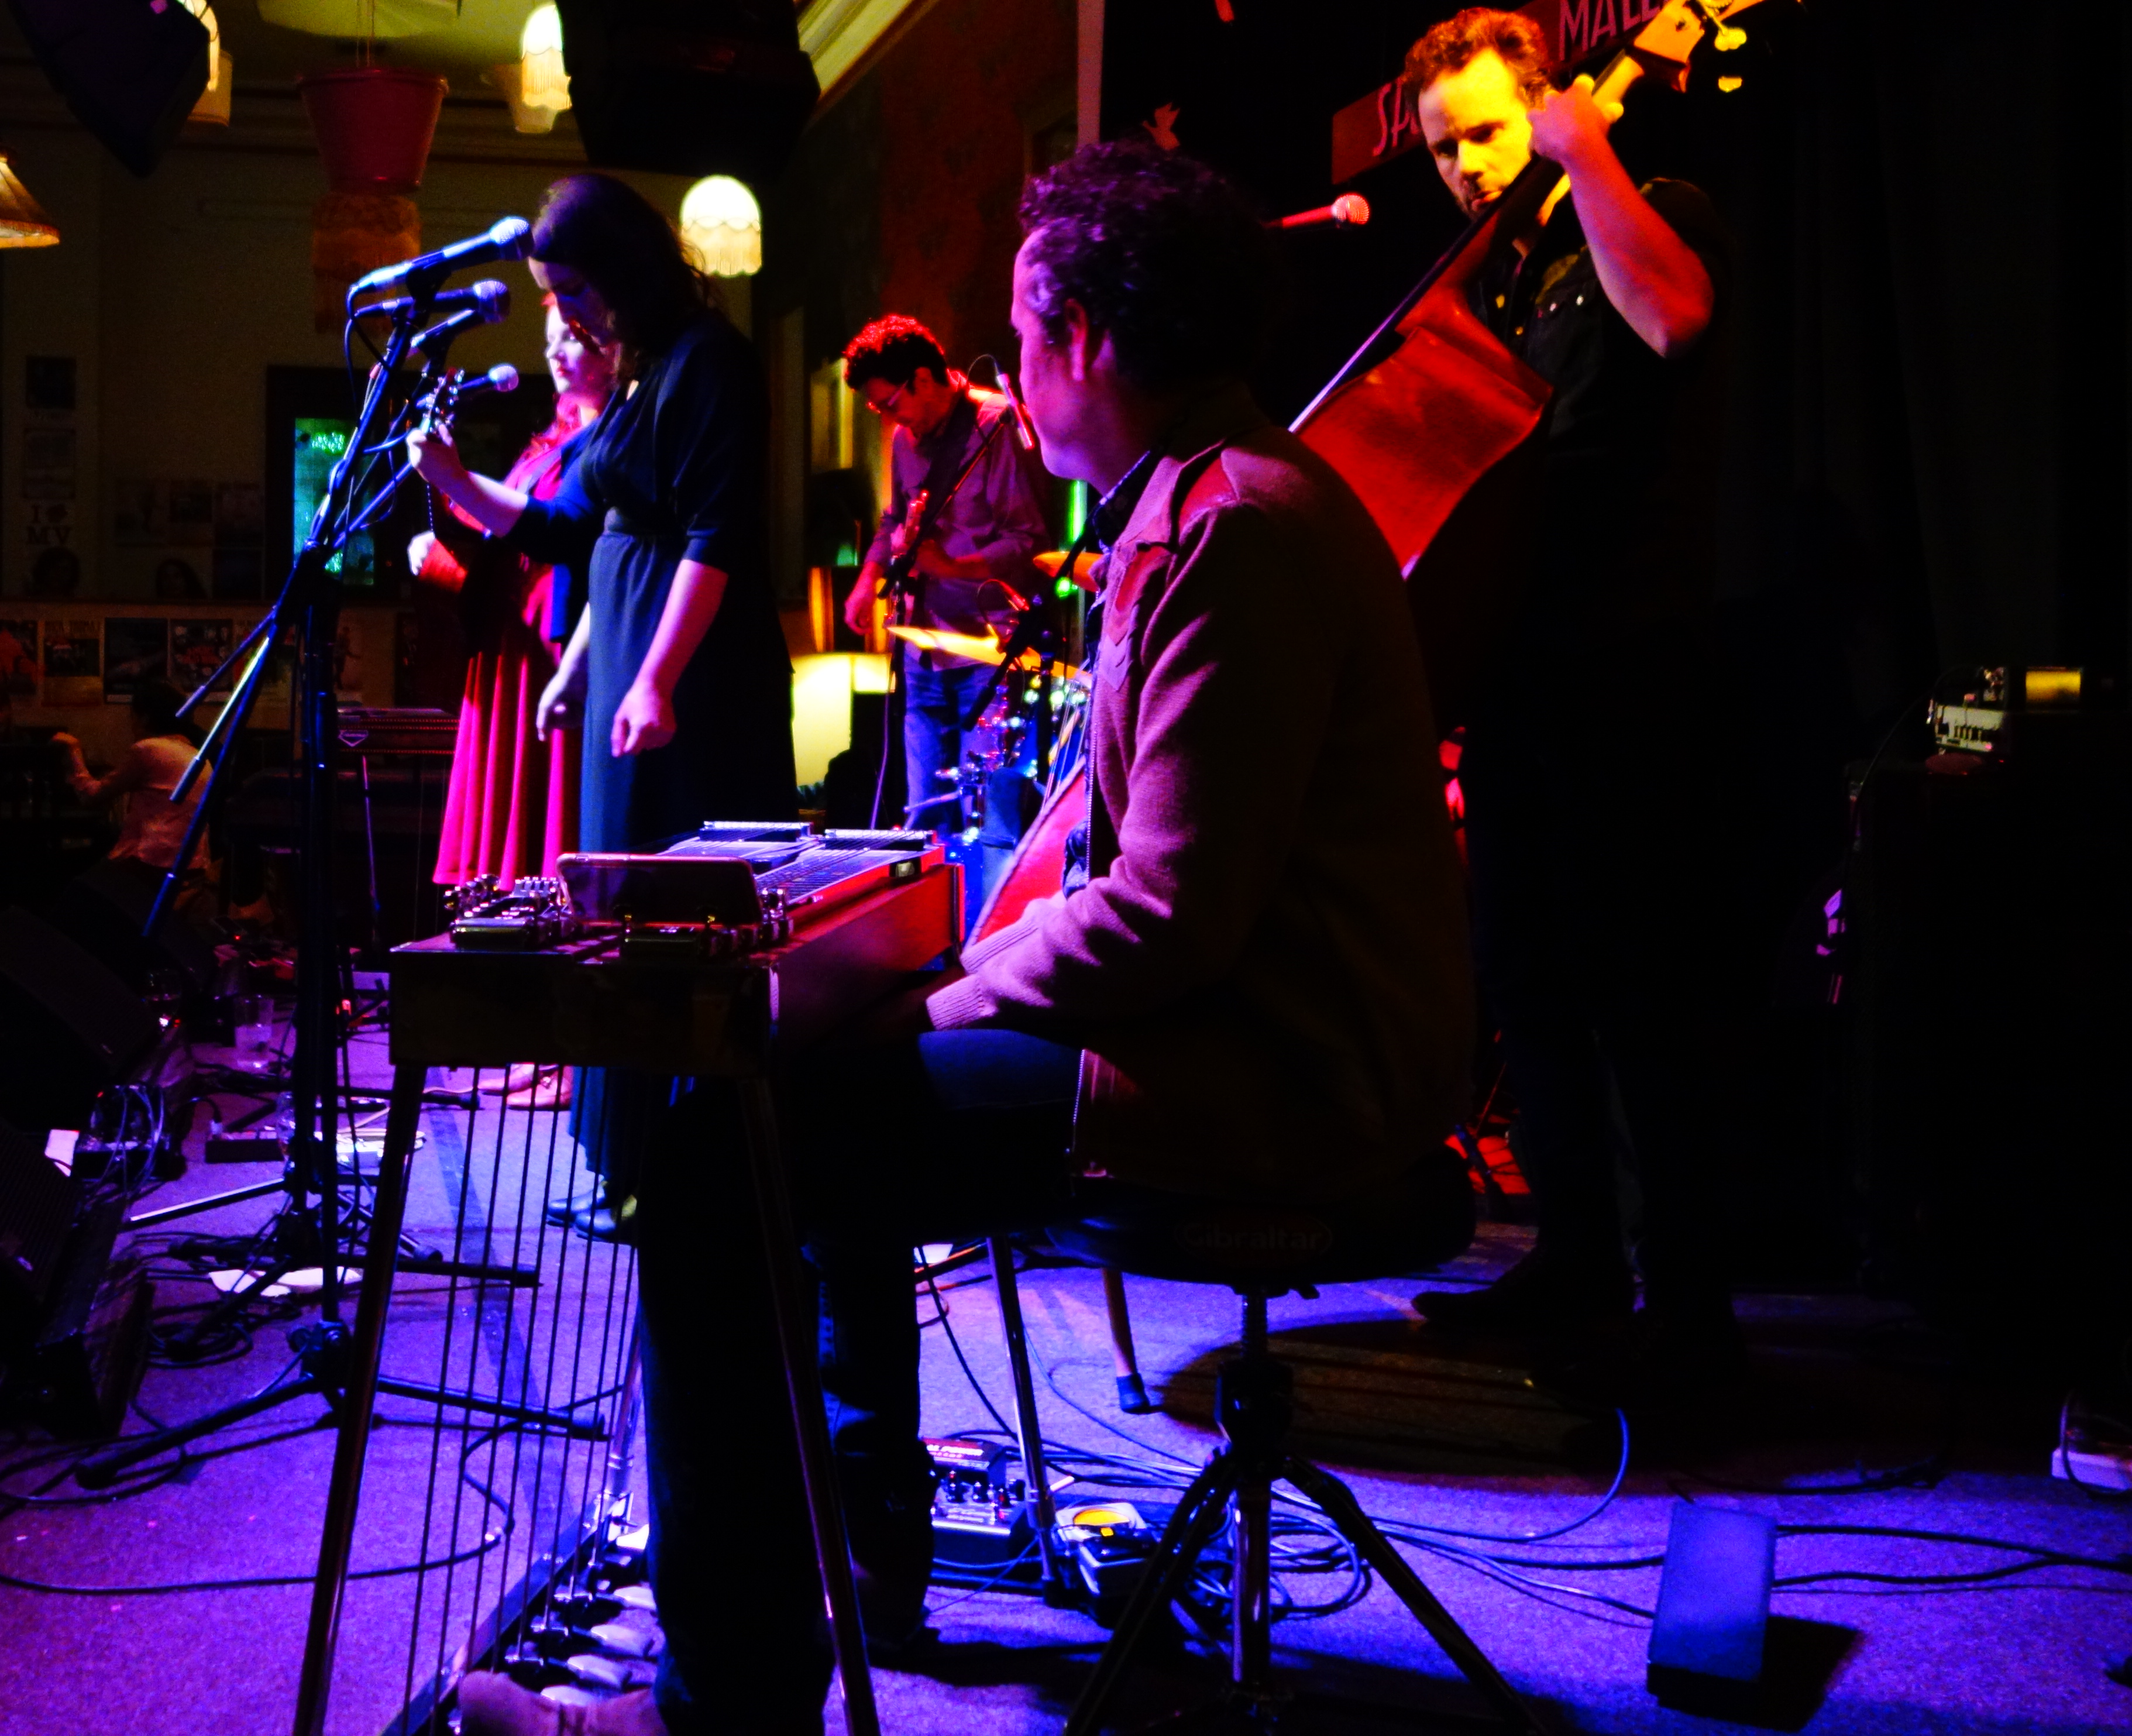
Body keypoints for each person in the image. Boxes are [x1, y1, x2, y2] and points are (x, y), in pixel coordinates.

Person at [457, 142, 1476, 1736]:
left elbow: (1165, 916)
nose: (1009, 361)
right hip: (1237, 1035)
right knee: (799, 1110)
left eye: (1019, 328)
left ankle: (727, 1702)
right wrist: (937, 974)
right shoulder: (1211, 498)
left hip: (1277, 1076)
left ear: (1085, 337)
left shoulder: (1231, 530)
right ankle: (866, 1560)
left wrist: (923, 1008)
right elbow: (1125, 869)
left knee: (719, 1145)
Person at [1387, 6, 1742, 1396]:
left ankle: (1689, 1305)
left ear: (1543, 107)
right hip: (1519, 663)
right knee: (1525, 971)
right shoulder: (1505, 279)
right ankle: (1576, 1254)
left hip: (1629, 655)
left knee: (1635, 981)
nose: (1463, 166)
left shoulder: (1644, 206)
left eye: (1484, 132)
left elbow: (1675, 319)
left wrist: (1588, 151)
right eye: (1440, 148)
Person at [408, 173, 796, 857]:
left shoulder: (708, 359)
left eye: (574, 289)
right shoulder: (638, 373)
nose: (567, 312)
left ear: (625, 268)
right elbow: (568, 528)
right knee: (620, 874)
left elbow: (714, 538)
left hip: (695, 672)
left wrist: (656, 680)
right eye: (553, 293)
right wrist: (455, 479)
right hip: (629, 663)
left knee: (678, 878)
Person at [838, 314, 1058, 918]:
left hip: (987, 655)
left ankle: (986, 937)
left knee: (988, 819)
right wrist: (866, 581)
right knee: (925, 818)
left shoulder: (996, 425)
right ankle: (927, 938)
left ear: (921, 379)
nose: (890, 418)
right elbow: (892, 522)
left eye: (890, 402)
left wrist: (952, 565)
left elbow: (1030, 542)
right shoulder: (904, 441)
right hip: (924, 650)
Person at [412, 295, 613, 888]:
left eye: (570, 338)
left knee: (553, 812)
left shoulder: (613, 439)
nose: (554, 354)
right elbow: (509, 530)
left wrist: (455, 482)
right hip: (515, 643)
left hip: (559, 642)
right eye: (549, 341)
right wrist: (445, 538)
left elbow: (554, 533)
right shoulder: (553, 441)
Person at [54, 678, 211, 874]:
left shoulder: (149, 749)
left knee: (74, 876)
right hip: (190, 866)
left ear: (144, 718)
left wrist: (73, 750)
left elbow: (91, 797)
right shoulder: (198, 757)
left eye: (132, 717)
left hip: (149, 864)